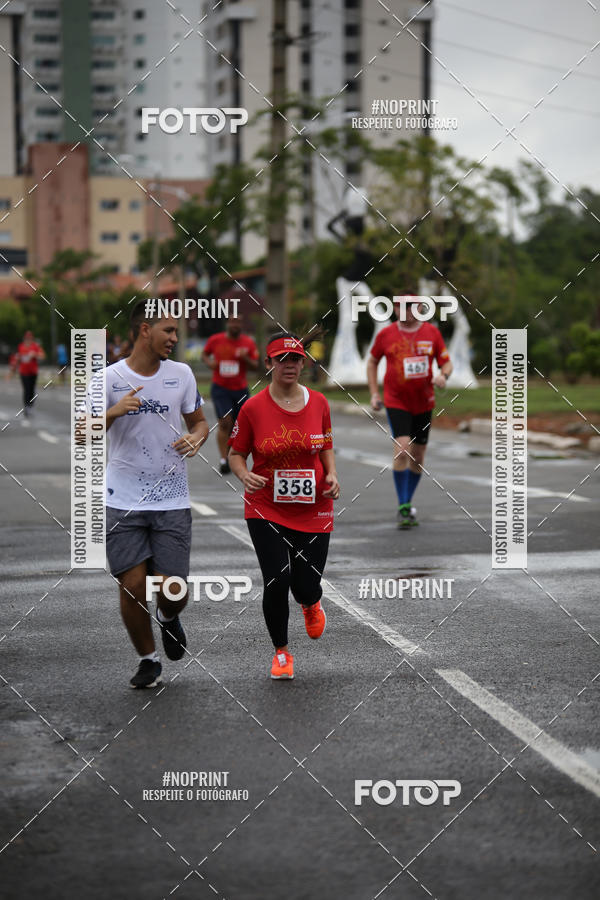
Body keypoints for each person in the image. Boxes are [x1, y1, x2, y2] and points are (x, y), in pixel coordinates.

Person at [98, 299, 209, 688]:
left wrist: (196, 437)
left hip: (171, 499)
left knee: (173, 589)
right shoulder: (109, 378)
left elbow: (199, 422)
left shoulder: (181, 374)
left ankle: (168, 616)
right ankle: (148, 660)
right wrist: (113, 412)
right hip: (122, 499)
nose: (175, 338)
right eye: (169, 330)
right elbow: (80, 432)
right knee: (132, 586)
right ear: (145, 330)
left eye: (176, 331)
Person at [228, 332, 340, 680]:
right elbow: (235, 454)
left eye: (295, 359)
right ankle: (281, 653)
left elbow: (325, 446)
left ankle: (311, 602)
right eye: (282, 359)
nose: (289, 365)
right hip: (265, 506)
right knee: (277, 578)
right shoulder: (252, 408)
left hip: (313, 507)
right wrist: (244, 474)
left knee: (304, 585)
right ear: (269, 363)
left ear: (303, 363)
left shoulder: (319, 402)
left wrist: (332, 475)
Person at [367, 296, 453, 528]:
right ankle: (403, 505)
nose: (403, 310)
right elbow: (372, 362)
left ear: (420, 308)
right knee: (403, 449)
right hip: (396, 400)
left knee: (418, 456)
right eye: (399, 305)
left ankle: (408, 500)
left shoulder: (432, 333)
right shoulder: (386, 334)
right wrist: (374, 393)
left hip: (424, 402)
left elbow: (446, 362)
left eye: (409, 306)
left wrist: (443, 376)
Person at [202, 314, 259, 473]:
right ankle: (223, 460)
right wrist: (210, 363)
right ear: (227, 323)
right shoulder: (215, 340)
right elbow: (204, 354)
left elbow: (256, 366)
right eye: (232, 321)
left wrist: (245, 358)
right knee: (225, 422)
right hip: (221, 388)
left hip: (240, 389)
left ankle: (232, 455)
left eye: (238, 322)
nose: (235, 325)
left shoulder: (248, 343)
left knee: (238, 426)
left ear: (242, 325)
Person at [17, 331, 45, 416]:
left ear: (32, 339)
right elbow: (19, 357)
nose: (28, 340)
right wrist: (18, 358)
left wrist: (35, 354)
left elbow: (42, 356)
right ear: (24, 339)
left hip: (33, 372)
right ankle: (26, 406)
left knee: (32, 390)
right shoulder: (21, 346)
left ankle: (31, 405)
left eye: (29, 339)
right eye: (26, 338)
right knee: (26, 389)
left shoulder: (35, 346)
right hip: (23, 372)